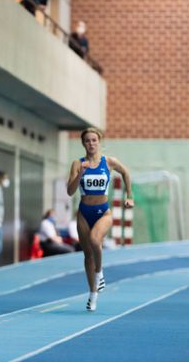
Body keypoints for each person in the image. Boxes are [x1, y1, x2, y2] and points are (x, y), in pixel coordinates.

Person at [67, 127, 133, 311]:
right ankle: (93, 295)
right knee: (88, 255)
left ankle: (100, 272)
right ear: (83, 144)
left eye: (94, 140)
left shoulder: (109, 162)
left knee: (96, 240)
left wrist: (130, 195)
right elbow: (70, 191)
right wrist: (80, 173)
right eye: (87, 141)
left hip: (103, 211)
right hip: (84, 212)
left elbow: (126, 173)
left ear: (99, 142)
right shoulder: (77, 164)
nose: (91, 144)